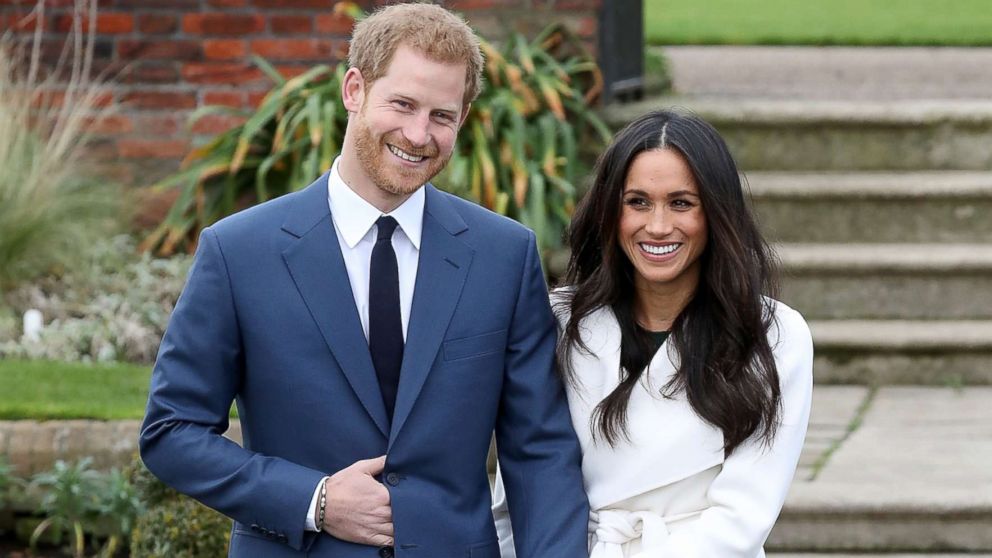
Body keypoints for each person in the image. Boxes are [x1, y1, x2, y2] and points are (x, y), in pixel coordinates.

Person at [139, 4, 589, 557]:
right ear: (354, 89)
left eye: (442, 116)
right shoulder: (238, 252)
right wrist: (315, 498)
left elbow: (540, 450)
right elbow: (171, 431)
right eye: (402, 104)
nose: (418, 133)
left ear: (462, 118)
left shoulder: (504, 256)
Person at [493, 109, 814, 557]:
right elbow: (523, 491)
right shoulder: (558, 321)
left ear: (716, 214)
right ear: (610, 211)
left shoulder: (773, 336)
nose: (658, 226)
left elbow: (743, 517)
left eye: (681, 203)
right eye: (637, 202)